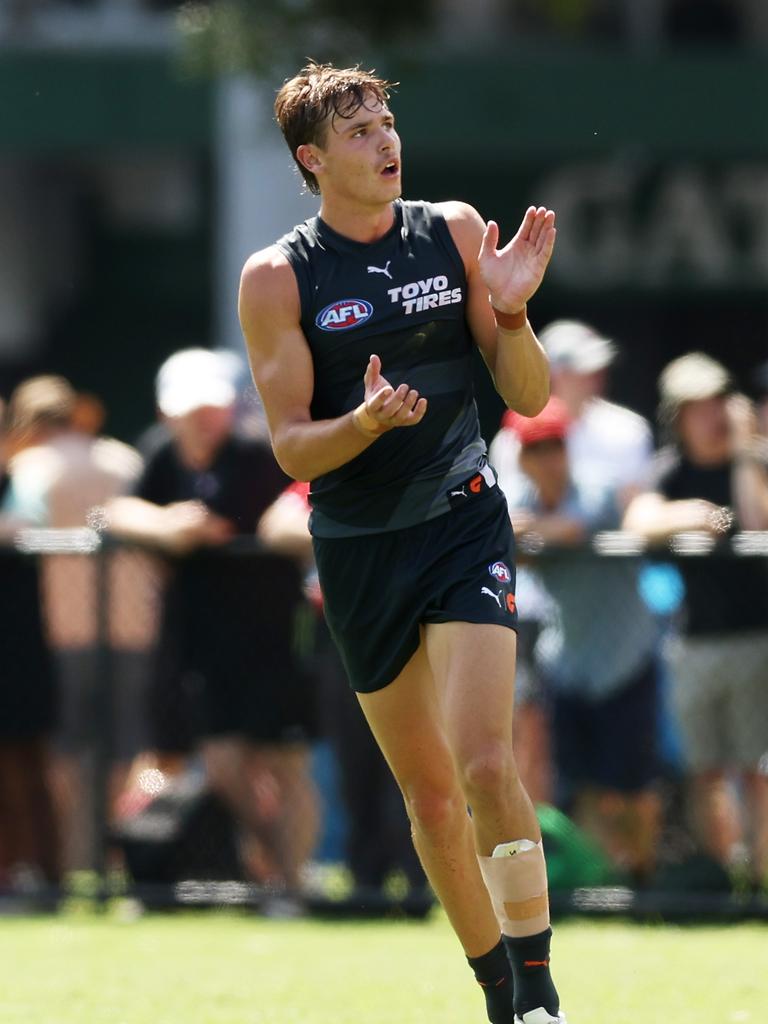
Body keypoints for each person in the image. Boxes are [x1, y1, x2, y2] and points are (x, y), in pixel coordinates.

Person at [239, 62, 564, 1024]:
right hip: (359, 543)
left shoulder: (454, 229)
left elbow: (531, 395)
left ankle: (540, 994)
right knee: (429, 799)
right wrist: (367, 425)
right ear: (313, 159)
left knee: (485, 766)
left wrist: (508, 308)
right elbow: (293, 441)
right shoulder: (277, 276)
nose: (386, 143)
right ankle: (497, 995)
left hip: (463, 515)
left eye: (387, 122)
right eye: (359, 132)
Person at [107, 347, 318, 895]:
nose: (205, 420)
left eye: (213, 407)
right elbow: (120, 511)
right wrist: (167, 526)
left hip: (273, 637)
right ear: (166, 413)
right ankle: (272, 871)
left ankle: (294, 885)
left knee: (285, 763)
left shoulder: (258, 454)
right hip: (201, 643)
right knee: (224, 765)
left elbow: (294, 512)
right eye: (191, 409)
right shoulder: (161, 456)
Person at [624, 352, 768, 889]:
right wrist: (694, 516)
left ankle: (760, 880)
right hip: (695, 644)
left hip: (758, 638)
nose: (711, 417)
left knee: (759, 769)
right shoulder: (668, 471)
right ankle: (722, 882)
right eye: (697, 408)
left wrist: (746, 453)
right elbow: (638, 520)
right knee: (705, 769)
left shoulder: (754, 461)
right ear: (677, 417)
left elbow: (757, 520)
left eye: (717, 404)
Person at [505, 397, 661, 882]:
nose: (550, 459)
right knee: (586, 787)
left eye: (556, 446)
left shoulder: (598, 490)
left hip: (625, 659)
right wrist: (520, 533)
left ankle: (642, 878)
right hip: (568, 663)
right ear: (524, 459)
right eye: (538, 449)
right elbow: (506, 538)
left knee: (634, 788)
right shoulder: (523, 504)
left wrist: (527, 535)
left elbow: (574, 527)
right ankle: (605, 881)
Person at [2, 374, 149, 874]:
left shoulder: (32, 468)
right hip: (138, 628)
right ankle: (122, 862)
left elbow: (24, 525)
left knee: (67, 754)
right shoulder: (125, 460)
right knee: (132, 752)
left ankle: (75, 861)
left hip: (63, 631)